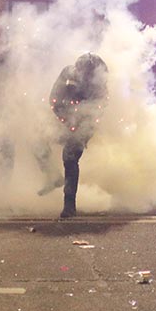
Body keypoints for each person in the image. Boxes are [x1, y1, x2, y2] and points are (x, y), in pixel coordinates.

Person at [49, 53, 109, 218]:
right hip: (64, 119)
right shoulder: (67, 73)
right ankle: (51, 175)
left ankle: (69, 206)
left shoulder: (99, 82)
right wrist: (65, 120)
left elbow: (99, 109)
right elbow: (53, 99)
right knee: (35, 138)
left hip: (85, 125)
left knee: (69, 157)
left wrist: (80, 128)